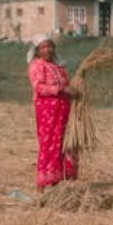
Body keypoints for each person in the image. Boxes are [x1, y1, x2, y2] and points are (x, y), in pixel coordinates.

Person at [27, 35, 78, 190]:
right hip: (47, 109)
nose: (48, 50)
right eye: (43, 47)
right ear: (37, 51)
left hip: (63, 108)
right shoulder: (37, 65)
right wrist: (61, 89)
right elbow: (39, 87)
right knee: (49, 143)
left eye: (50, 46)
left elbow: (67, 85)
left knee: (64, 143)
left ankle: (58, 180)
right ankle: (43, 182)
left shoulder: (58, 67)